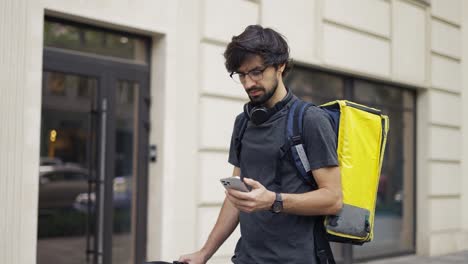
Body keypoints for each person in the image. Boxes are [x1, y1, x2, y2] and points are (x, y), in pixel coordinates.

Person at [179, 25, 342, 264]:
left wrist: (274, 201)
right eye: (242, 75)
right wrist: (205, 253)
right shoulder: (243, 123)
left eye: (256, 72)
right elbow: (236, 197)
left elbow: (333, 199)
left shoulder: (310, 120)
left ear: (280, 66)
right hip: (247, 259)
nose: (248, 83)